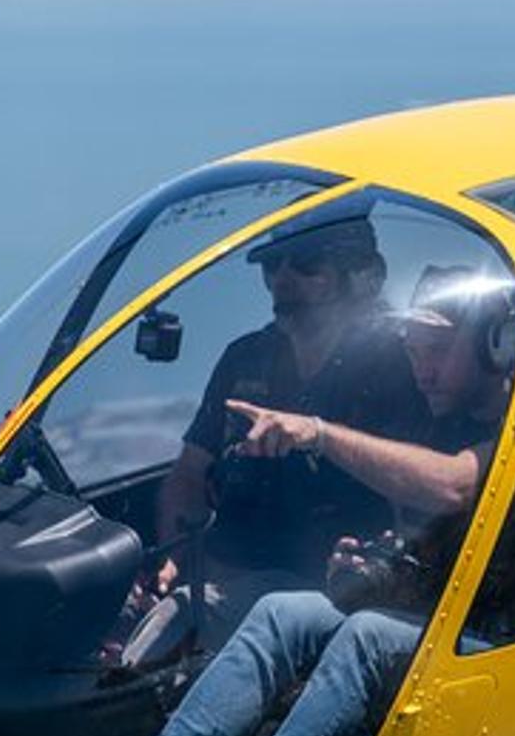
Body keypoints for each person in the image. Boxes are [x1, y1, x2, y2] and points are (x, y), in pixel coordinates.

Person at [122, 266, 515, 736]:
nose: (422, 370)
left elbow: (455, 486)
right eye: (414, 351)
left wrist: (318, 433)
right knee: (281, 612)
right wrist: (371, 562)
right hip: (430, 618)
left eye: (439, 352)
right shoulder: (431, 421)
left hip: (513, 641)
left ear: (498, 346)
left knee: (366, 636)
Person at [122, 214, 425, 664]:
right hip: (220, 578)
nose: (283, 277)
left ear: (358, 275)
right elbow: (189, 474)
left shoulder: (398, 367)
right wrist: (176, 559)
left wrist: (321, 437)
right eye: (272, 264)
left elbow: (421, 490)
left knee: (180, 618)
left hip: (323, 591)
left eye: (306, 263)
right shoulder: (245, 358)